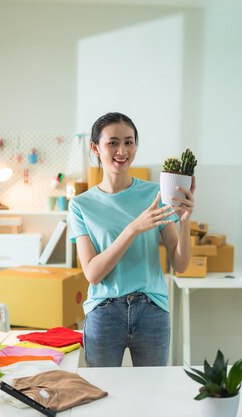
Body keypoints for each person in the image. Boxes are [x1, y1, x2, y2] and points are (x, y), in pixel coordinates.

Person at [68, 112, 195, 367]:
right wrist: (133, 229)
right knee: (103, 395)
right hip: (104, 313)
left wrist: (185, 221)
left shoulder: (155, 194)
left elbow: (180, 265)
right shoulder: (81, 205)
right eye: (112, 142)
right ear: (95, 148)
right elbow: (93, 274)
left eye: (129, 142)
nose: (122, 150)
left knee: (152, 395)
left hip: (152, 310)